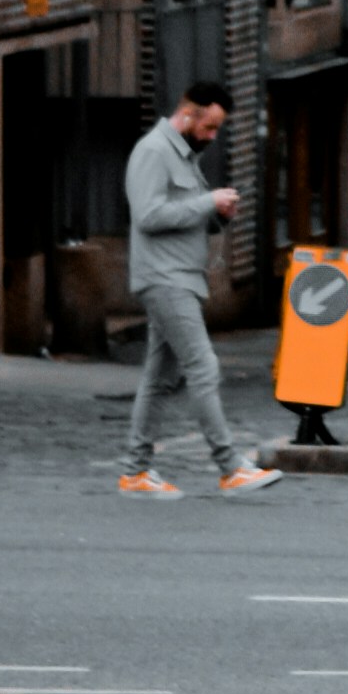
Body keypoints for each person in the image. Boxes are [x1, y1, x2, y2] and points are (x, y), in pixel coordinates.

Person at [118, 83, 277, 501]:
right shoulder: (154, 152)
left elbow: (180, 217)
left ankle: (135, 471)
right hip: (165, 279)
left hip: (179, 277)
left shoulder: (182, 155)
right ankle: (229, 466)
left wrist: (217, 216)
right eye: (209, 127)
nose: (212, 136)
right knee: (203, 366)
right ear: (187, 113)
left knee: (160, 377)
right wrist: (208, 202)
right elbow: (149, 215)